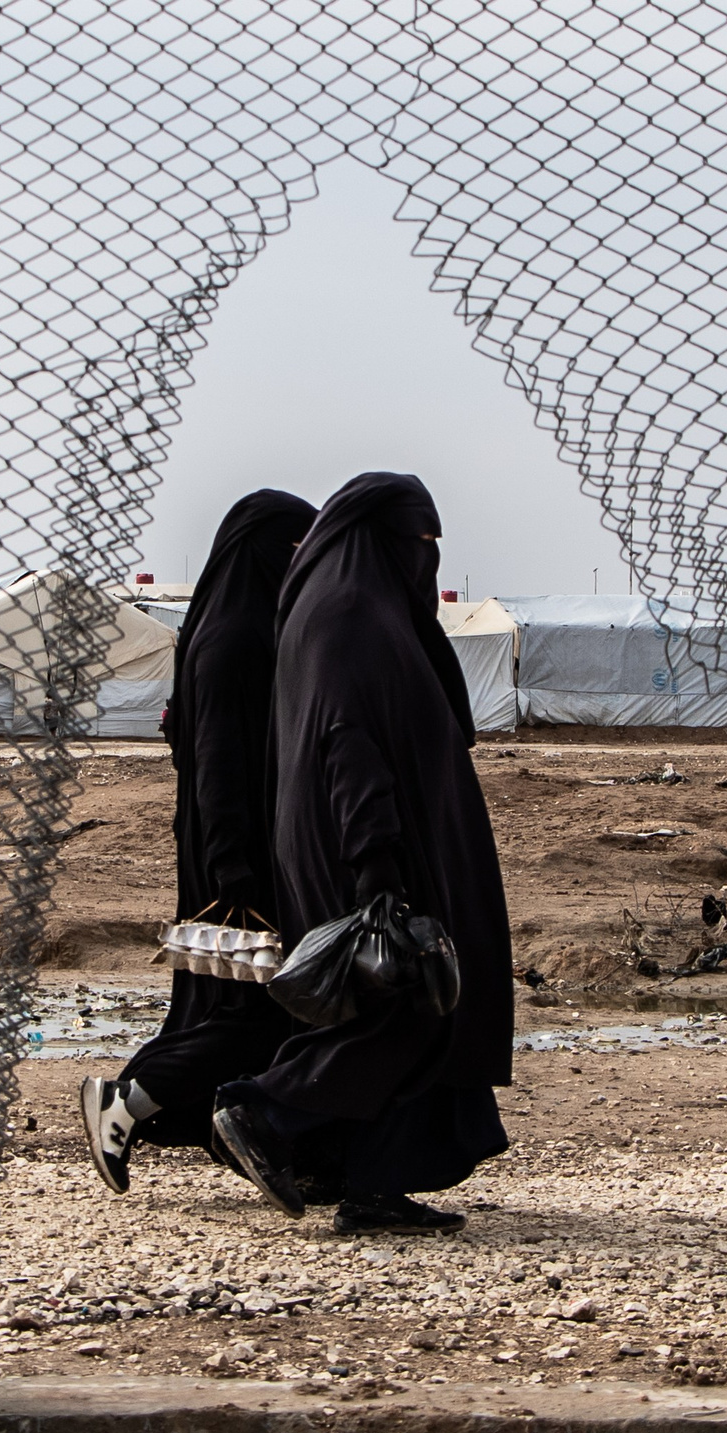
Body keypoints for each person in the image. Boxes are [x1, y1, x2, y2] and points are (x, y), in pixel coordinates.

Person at [208, 472, 513, 1235]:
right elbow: (348, 745)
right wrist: (378, 867)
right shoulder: (350, 617)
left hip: (363, 840)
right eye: (418, 542)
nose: (427, 559)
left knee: (413, 1000)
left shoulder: (346, 610)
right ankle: (267, 1108)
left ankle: (375, 1183)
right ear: (378, 540)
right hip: (366, 847)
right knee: (407, 1003)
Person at [81, 490, 315, 1193]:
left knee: (233, 1004)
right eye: (294, 550)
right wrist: (236, 868)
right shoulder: (234, 639)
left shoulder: (232, 629)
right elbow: (216, 765)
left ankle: (238, 1134)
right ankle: (128, 1101)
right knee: (254, 1005)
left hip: (234, 848)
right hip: (232, 857)